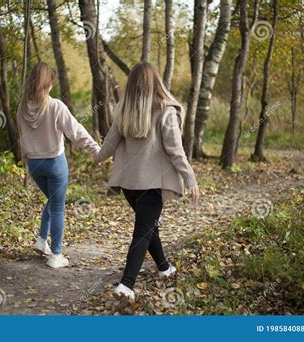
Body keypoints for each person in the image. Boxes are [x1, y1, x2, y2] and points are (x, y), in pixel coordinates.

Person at [95, 62, 200, 302]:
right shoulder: (166, 110)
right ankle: (126, 284)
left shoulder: (124, 109)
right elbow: (175, 150)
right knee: (143, 231)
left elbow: (110, 143)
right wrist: (190, 178)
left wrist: (97, 156)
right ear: (156, 82)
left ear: (132, 84)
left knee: (148, 226)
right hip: (151, 185)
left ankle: (164, 267)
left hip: (129, 186)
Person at [17, 62, 100, 268]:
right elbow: (76, 131)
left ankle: (41, 239)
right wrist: (96, 150)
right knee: (57, 207)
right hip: (55, 163)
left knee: (53, 200)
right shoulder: (56, 106)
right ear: (47, 84)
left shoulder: (21, 107)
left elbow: (21, 137)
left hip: (34, 165)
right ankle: (56, 255)